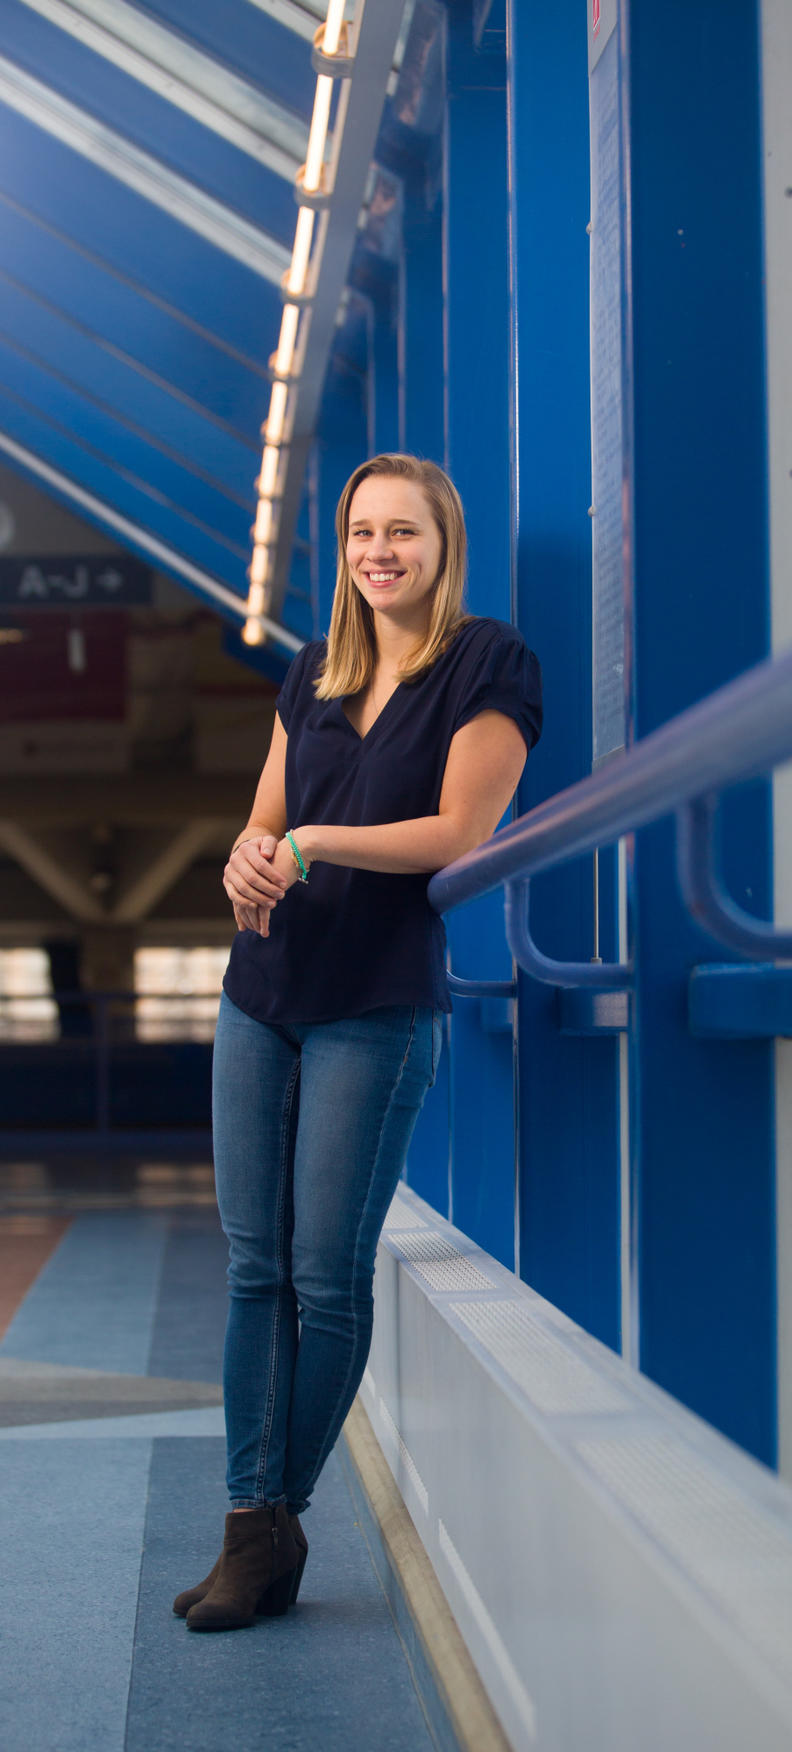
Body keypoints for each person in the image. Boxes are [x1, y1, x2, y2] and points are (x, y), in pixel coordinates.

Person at [175, 453, 542, 1632]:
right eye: (362, 534)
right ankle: (253, 1522)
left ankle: (265, 1524)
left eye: (405, 534)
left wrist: (322, 841)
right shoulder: (314, 672)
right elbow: (265, 821)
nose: (381, 552)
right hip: (262, 989)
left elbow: (460, 829)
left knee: (325, 1274)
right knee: (253, 1267)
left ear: (444, 547)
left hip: (374, 1004)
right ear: (341, 550)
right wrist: (246, 852)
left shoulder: (487, 663)